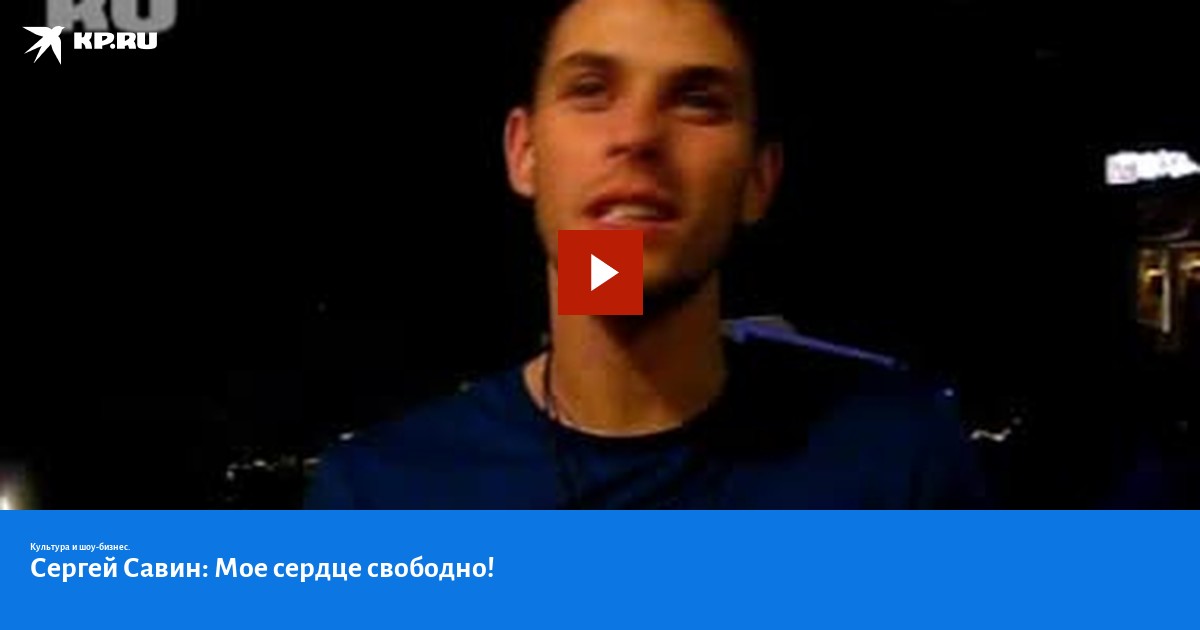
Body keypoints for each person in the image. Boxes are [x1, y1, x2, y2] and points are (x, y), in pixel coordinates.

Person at [306, 0, 986, 508]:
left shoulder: (899, 464)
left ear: (758, 179)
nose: (635, 134)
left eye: (697, 101)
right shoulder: (379, 501)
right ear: (524, 152)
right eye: (590, 90)